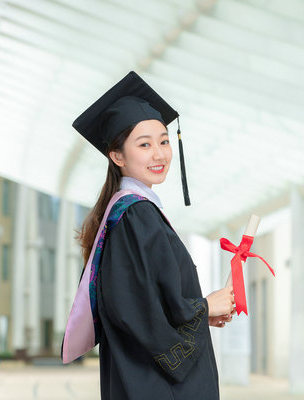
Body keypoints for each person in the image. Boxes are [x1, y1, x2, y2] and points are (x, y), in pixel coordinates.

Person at [65, 71, 235, 399]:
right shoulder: (135, 215)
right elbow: (136, 308)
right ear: (117, 156)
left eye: (164, 140)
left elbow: (149, 299)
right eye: (144, 144)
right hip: (155, 385)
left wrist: (199, 317)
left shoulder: (132, 212)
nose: (159, 154)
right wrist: (201, 309)